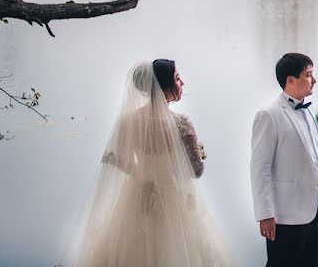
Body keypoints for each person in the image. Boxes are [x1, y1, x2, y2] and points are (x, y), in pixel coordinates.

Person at [70, 59, 233, 267]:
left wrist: (140, 171)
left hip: (137, 196)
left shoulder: (128, 121)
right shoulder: (182, 123)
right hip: (174, 197)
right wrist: (200, 150)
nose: (182, 83)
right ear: (164, 86)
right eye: (177, 78)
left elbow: (115, 159)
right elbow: (196, 171)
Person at [251, 53, 318, 267]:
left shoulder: (312, 109)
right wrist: (265, 213)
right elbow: (260, 168)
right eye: (308, 75)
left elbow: (316, 154)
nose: (314, 80)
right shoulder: (269, 114)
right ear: (291, 80)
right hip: (286, 215)